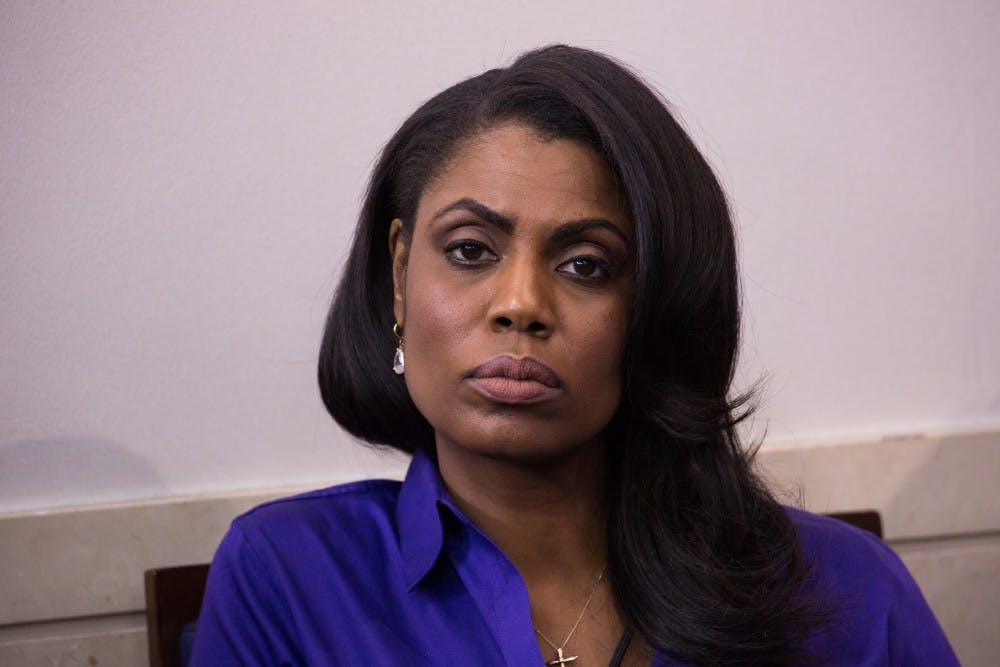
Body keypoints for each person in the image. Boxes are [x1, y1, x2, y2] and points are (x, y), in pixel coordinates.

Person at [190, 45, 959, 666]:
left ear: (655, 305)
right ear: (398, 277)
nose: (519, 303)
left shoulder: (847, 591)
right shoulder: (289, 576)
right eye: (469, 250)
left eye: (586, 263)